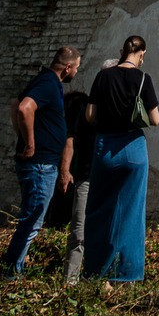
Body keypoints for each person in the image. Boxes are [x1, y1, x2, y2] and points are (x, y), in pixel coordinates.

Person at [82, 34, 159, 282]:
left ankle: (96, 271)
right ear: (142, 54)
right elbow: (156, 119)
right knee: (132, 212)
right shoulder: (144, 79)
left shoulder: (103, 76)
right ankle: (127, 274)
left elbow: (90, 115)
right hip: (133, 147)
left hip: (105, 145)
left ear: (122, 51)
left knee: (98, 210)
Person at [4, 45, 82, 275]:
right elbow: (23, 108)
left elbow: (14, 103)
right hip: (39, 164)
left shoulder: (46, 81)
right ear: (68, 67)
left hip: (42, 162)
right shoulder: (48, 84)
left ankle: (13, 268)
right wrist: (29, 143)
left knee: (32, 218)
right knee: (32, 220)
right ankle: (11, 272)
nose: (77, 72)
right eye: (77, 67)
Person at [61, 86, 97, 285]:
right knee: (79, 230)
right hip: (86, 174)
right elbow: (71, 140)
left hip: (104, 175)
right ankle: (71, 281)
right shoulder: (86, 109)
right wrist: (65, 170)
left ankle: (95, 278)